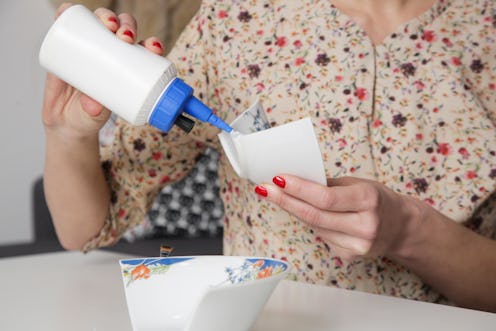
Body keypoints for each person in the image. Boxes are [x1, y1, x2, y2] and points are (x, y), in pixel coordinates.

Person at [42, 0, 496, 312]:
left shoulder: (482, 28)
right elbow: (85, 228)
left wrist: (409, 232)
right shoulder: (238, 20)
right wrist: (67, 134)